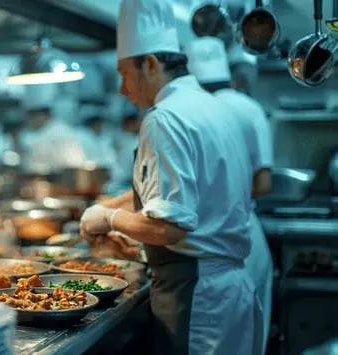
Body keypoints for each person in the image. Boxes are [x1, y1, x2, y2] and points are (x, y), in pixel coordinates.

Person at [79, 0, 258, 354]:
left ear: (149, 64)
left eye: (124, 74)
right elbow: (179, 195)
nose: (122, 89)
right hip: (229, 291)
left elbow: (169, 228)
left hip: (197, 296)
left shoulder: (165, 119)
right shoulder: (212, 107)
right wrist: (108, 207)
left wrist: (111, 218)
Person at [186, 36, 273, 354]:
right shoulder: (249, 108)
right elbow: (263, 185)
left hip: (212, 244)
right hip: (249, 237)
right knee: (250, 338)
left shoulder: (189, 114)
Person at [18, 105, 87, 175]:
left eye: (31, 118)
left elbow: (38, 159)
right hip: (54, 175)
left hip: (63, 177)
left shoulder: (59, 131)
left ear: (42, 115)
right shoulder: (43, 131)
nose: (30, 122)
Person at [106, 109, 143, 194]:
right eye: (138, 123)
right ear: (130, 124)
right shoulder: (125, 140)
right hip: (120, 182)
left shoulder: (135, 139)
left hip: (129, 183)